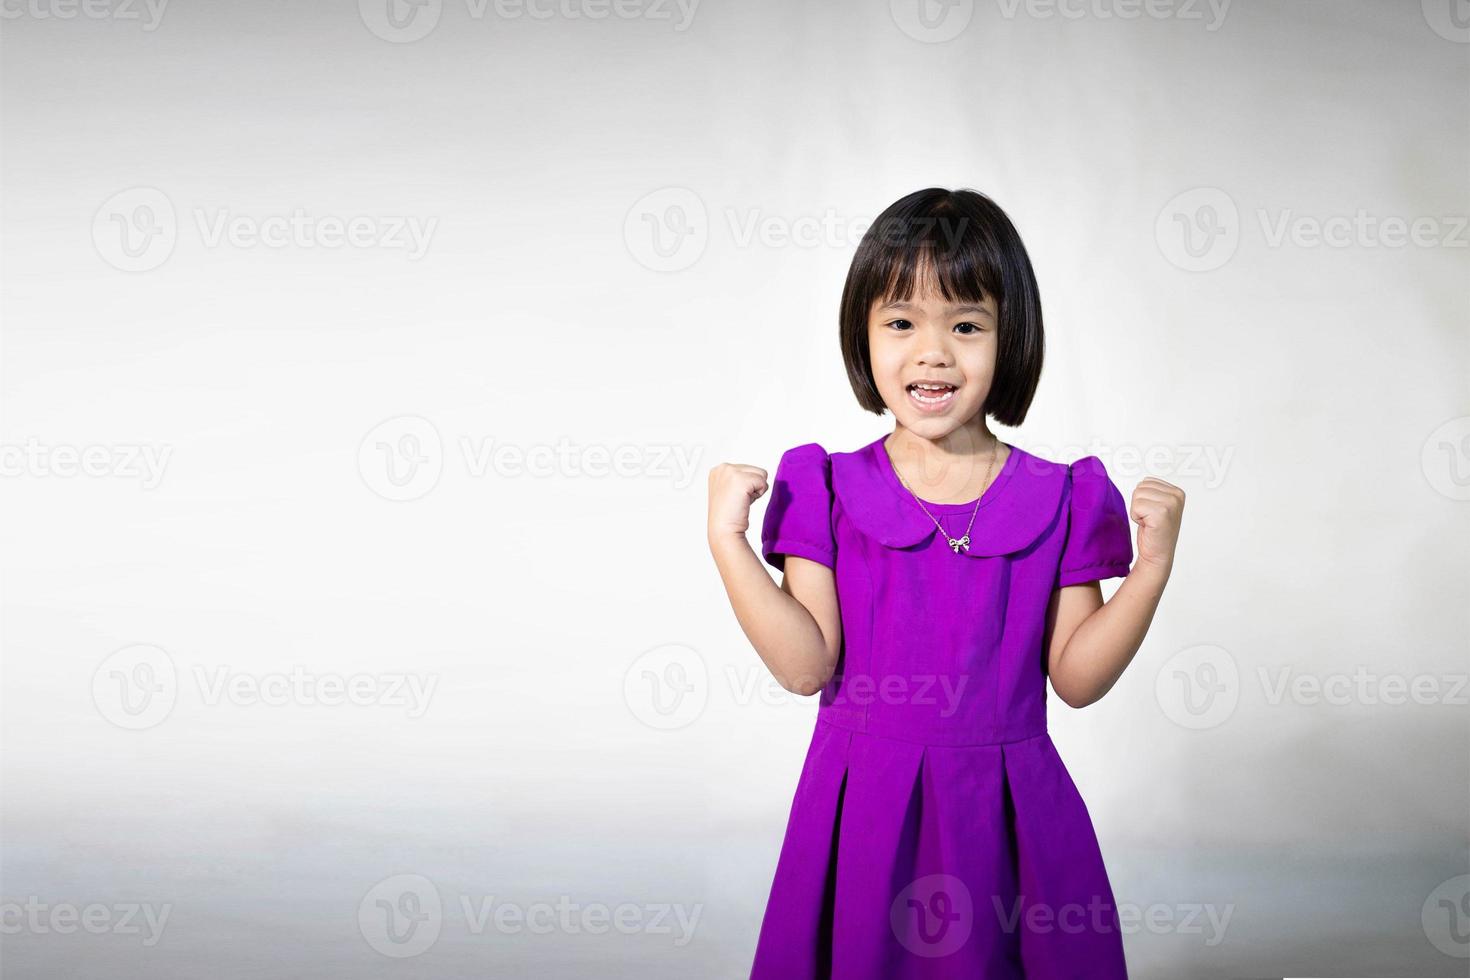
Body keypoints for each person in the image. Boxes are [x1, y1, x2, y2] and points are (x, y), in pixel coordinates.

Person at [706, 187, 1185, 978]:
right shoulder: (824, 487)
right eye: (901, 323)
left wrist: (1153, 569)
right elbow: (804, 665)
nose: (932, 353)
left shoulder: (1064, 497)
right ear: (863, 337)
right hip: (863, 812)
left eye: (966, 326)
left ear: (1011, 339)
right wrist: (728, 541)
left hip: (1005, 813)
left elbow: (1076, 678)